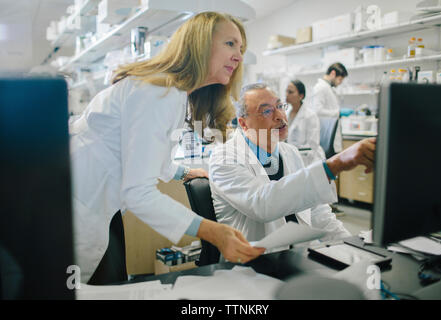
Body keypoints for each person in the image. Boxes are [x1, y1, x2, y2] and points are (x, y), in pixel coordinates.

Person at [69, 12, 265, 283]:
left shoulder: (172, 92)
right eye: (230, 44)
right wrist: (214, 232)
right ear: (200, 43)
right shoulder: (158, 92)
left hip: (94, 204)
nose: (239, 56)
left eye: (241, 48)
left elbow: (148, 157)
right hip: (77, 206)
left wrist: (184, 172)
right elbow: (139, 192)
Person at [209, 83, 376, 244]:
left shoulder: (290, 152)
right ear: (243, 123)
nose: (280, 116)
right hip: (254, 263)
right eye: (267, 111)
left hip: (298, 257)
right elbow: (263, 204)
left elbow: (318, 213)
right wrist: (337, 164)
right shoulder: (224, 157)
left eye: (280, 106)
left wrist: (351, 246)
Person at [285, 79, 325, 166]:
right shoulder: (286, 114)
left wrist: (293, 153)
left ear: (301, 96)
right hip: (292, 156)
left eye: (290, 92)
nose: (286, 94)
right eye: (286, 91)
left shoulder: (310, 116)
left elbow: (312, 145)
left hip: (308, 159)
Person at [311, 62, 348, 153]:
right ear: (333, 73)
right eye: (339, 79)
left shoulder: (328, 88)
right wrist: (338, 113)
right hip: (325, 136)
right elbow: (317, 111)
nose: (340, 83)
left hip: (331, 137)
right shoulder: (320, 87)